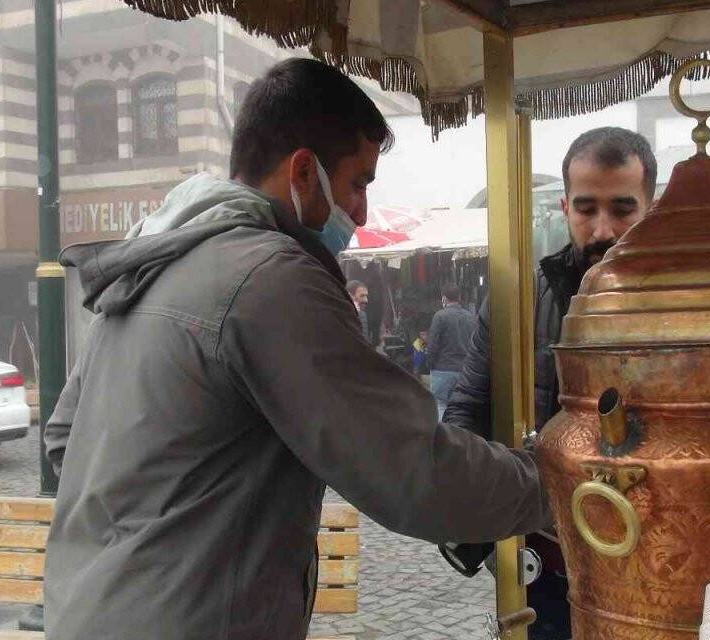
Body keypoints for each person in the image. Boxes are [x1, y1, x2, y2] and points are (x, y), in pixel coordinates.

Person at [42, 58, 551, 640]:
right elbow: (411, 468)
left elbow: (63, 441)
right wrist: (552, 486)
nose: (360, 211)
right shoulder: (270, 277)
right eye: (359, 183)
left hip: (87, 610)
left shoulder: (153, 259)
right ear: (303, 171)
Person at [441, 127, 657, 640]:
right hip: (549, 561)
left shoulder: (683, 306)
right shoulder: (519, 300)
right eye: (586, 208)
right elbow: (469, 410)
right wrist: (476, 527)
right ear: (565, 208)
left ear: (652, 206)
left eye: (623, 209)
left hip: (657, 559)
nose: (602, 229)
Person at [426, 284, 477, 418]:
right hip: (464, 371)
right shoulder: (470, 317)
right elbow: (475, 344)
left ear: (444, 298)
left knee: (441, 405)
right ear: (459, 297)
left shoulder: (439, 316)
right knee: (461, 408)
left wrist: (430, 365)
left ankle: (443, 437)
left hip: (442, 369)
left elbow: (433, 344)